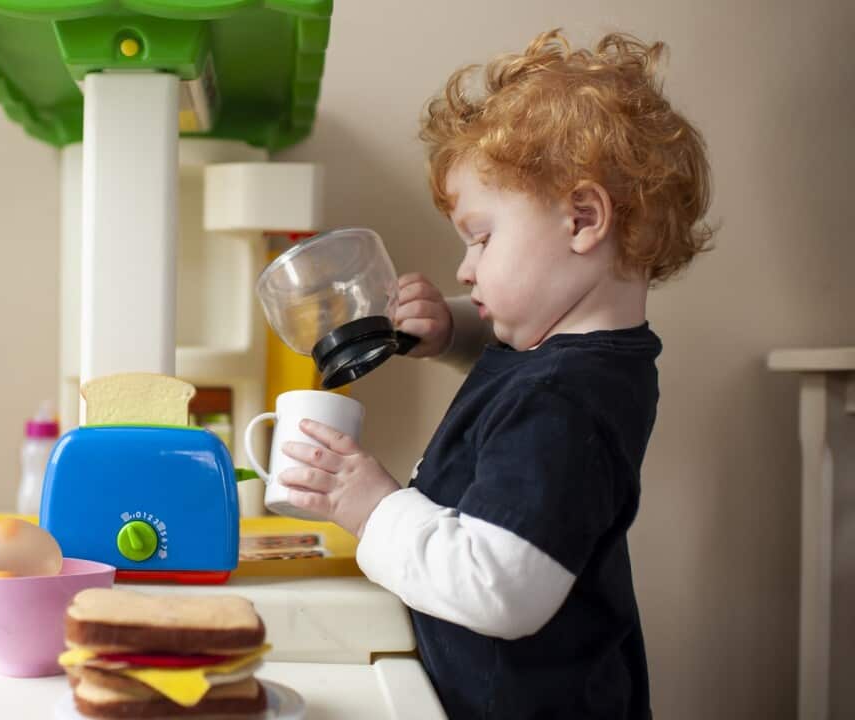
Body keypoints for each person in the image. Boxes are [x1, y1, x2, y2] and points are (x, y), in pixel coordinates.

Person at [277, 28, 714, 719]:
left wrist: (372, 507)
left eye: (483, 237)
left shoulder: (562, 402)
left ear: (581, 218)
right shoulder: (588, 356)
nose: (466, 266)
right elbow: (516, 354)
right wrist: (454, 329)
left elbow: (499, 588)